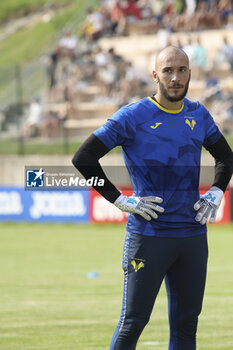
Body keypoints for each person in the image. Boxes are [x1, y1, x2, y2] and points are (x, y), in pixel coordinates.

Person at [72, 46, 233, 350]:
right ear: (155, 75)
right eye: (168, 71)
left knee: (187, 325)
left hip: (192, 236)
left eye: (181, 70)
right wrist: (118, 199)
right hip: (149, 236)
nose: (175, 77)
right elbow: (83, 158)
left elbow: (226, 157)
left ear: (190, 73)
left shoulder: (198, 114)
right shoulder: (133, 116)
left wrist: (216, 191)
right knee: (133, 322)